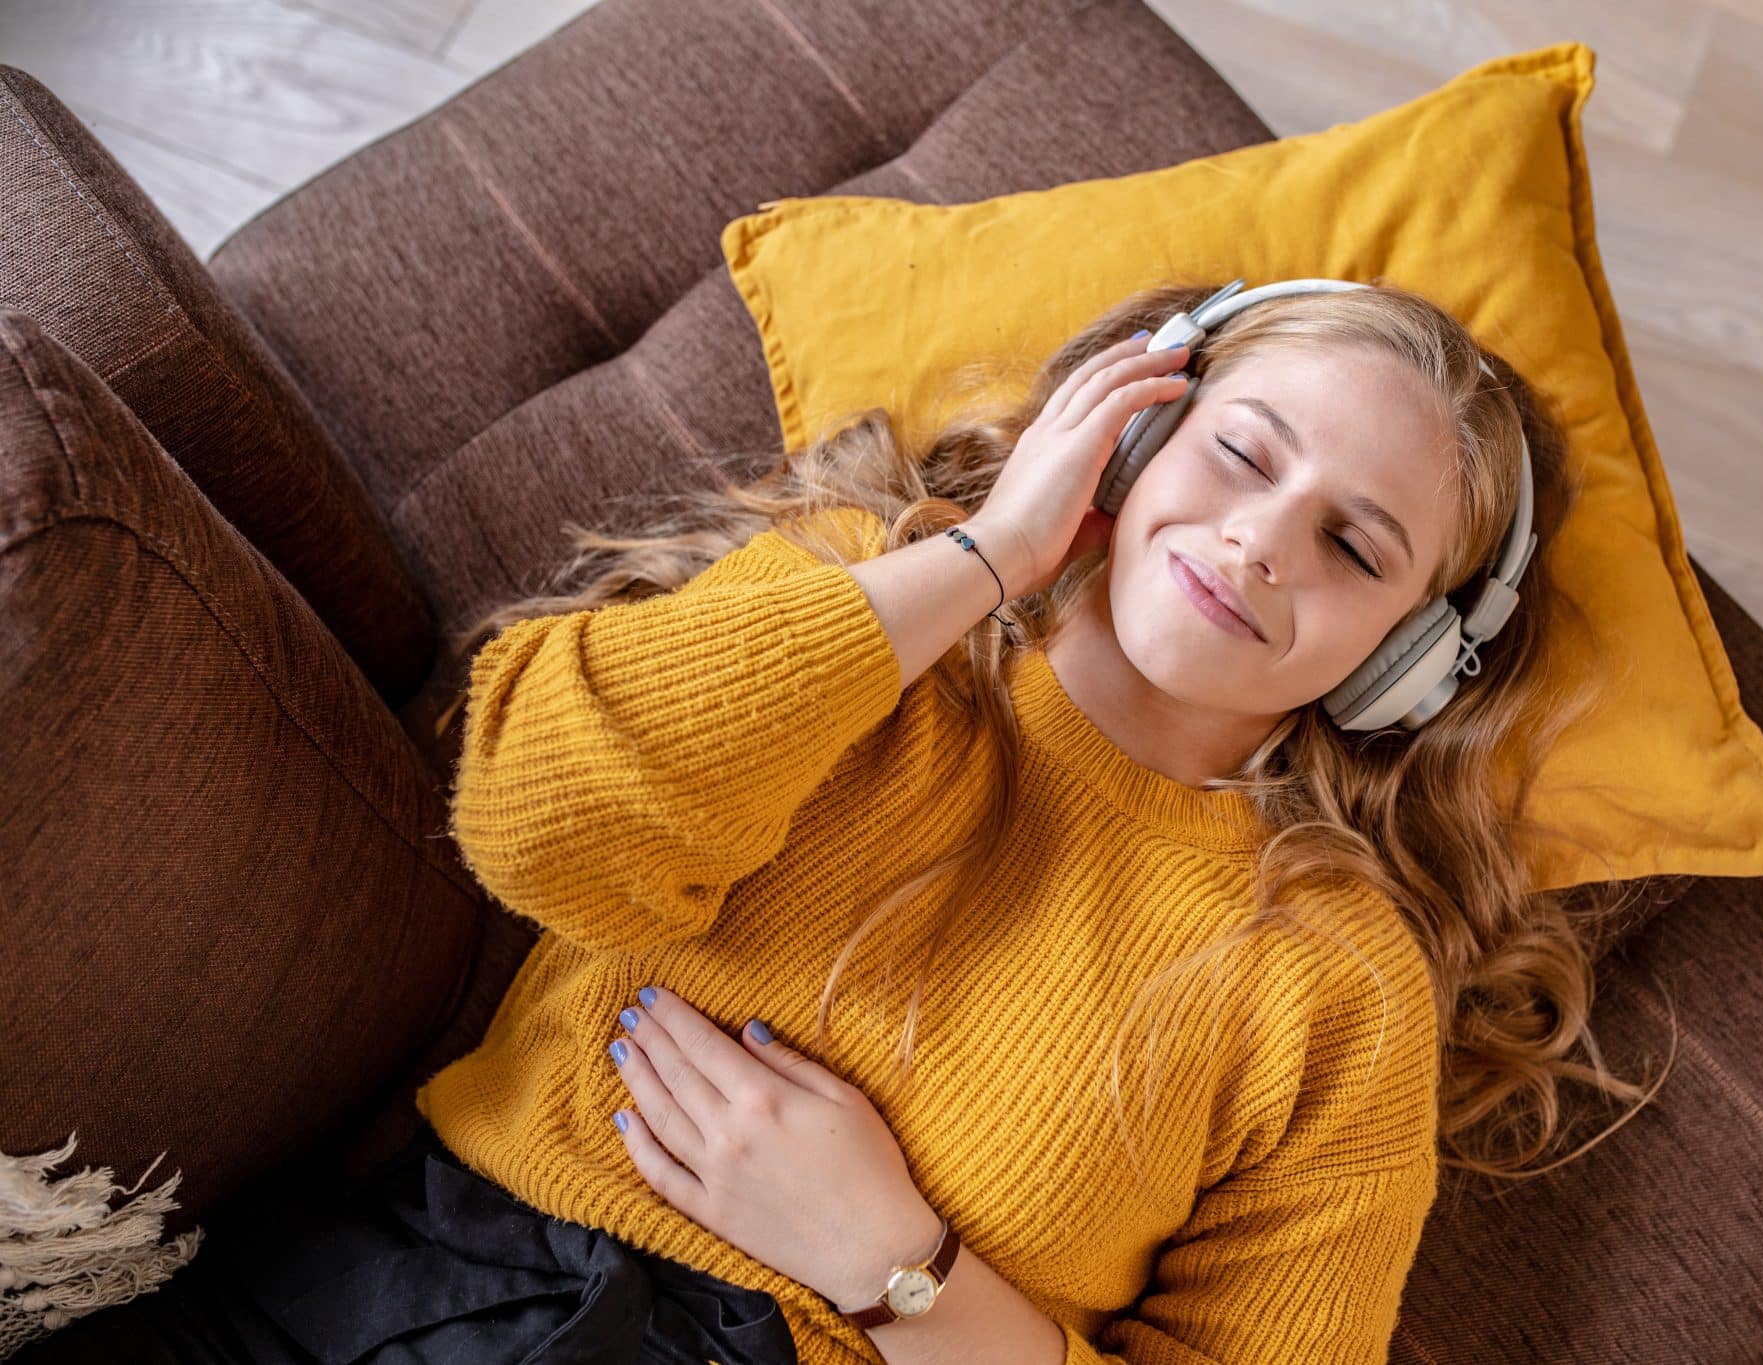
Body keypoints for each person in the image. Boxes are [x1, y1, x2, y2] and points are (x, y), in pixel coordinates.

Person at [23, 277, 1671, 1364]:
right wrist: (988, 556)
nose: (1258, 543)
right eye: (1241, 452)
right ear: (1136, 424)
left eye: (1356, 548)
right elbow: (535, 822)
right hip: (406, 1289)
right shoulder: (865, 598)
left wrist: (899, 1266)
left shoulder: (1335, 980)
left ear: (1403, 662)